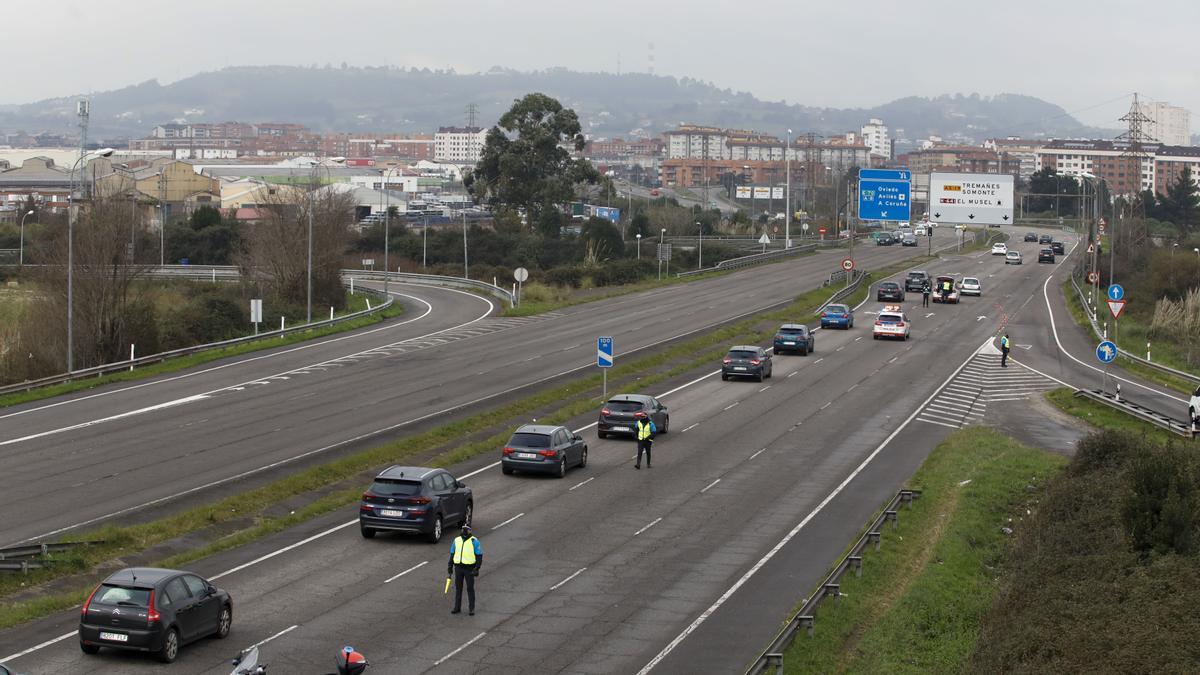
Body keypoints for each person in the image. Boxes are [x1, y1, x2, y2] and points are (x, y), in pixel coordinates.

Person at [448, 525, 482, 615]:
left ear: (470, 531)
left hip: (469, 569)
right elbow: (452, 554)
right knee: (458, 588)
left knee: (470, 588)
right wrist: (450, 567)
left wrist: (477, 568)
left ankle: (471, 608)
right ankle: (457, 607)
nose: (464, 531)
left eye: (466, 529)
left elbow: (479, 555)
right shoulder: (456, 540)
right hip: (458, 568)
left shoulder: (474, 541)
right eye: (463, 529)